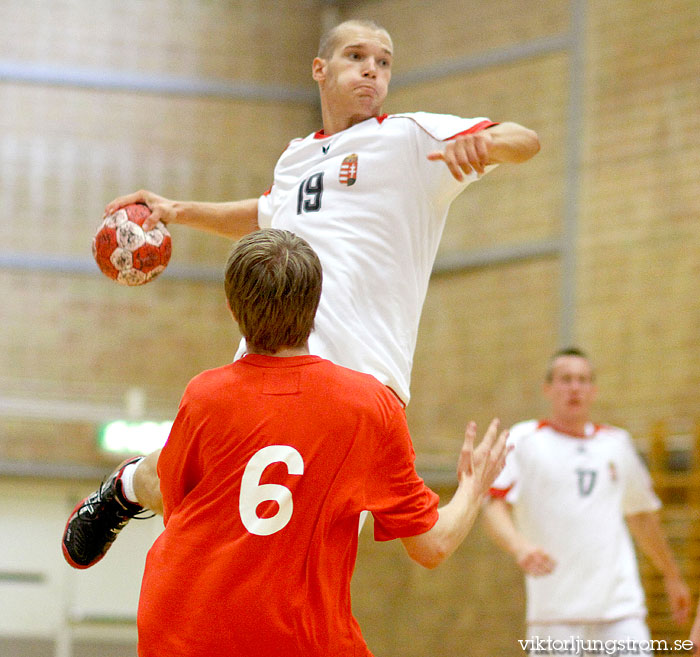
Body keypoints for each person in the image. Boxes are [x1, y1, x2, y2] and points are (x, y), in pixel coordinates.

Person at [62, 18, 540, 569]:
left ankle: (136, 496)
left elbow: (525, 140)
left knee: (307, 537)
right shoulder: (295, 158)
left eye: (383, 62)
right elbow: (268, 214)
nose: (372, 71)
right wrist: (178, 211)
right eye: (356, 56)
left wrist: (487, 144)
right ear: (320, 69)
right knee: (195, 488)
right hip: (270, 357)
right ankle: (125, 490)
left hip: (360, 380)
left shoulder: (409, 137)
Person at [136, 228, 508, 657]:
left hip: (180, 629)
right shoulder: (368, 405)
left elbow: (175, 504)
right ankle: (123, 487)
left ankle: (122, 488)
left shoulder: (204, 395)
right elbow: (432, 545)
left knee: (151, 474)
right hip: (297, 638)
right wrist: (474, 487)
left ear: (232, 309)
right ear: (316, 305)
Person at [481, 347, 691, 656]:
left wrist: (672, 576)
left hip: (621, 610)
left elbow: (642, 517)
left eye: (583, 380)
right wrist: (520, 547)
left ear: (593, 390)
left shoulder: (616, 443)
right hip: (555, 614)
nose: (574, 387)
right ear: (548, 389)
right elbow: (493, 507)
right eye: (565, 379)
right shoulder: (524, 440)